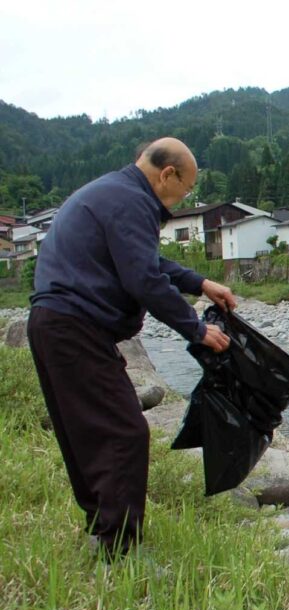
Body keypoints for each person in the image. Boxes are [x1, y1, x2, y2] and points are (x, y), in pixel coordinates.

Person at [27, 137, 236, 560]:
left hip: (55, 324)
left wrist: (198, 282)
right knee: (124, 431)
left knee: (85, 433)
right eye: (187, 189)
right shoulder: (130, 202)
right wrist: (195, 329)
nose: (183, 200)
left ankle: (102, 531)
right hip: (75, 326)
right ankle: (120, 550)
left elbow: (144, 262)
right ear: (167, 174)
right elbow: (142, 279)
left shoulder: (114, 193)